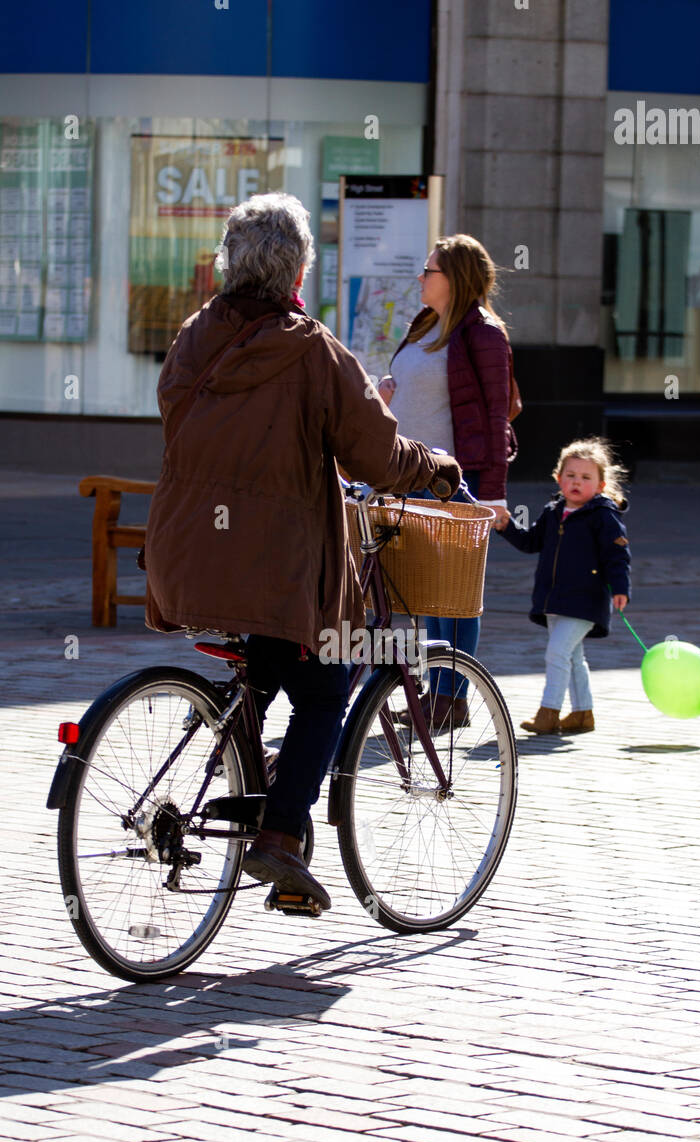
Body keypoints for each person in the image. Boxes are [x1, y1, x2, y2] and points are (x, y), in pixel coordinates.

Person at [144, 193, 461, 910]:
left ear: (229, 260)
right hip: (274, 565)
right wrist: (439, 470)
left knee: (267, 664)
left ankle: (256, 783)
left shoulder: (197, 334)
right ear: (299, 268)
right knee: (327, 682)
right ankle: (282, 836)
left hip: (184, 549)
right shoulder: (311, 348)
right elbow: (378, 453)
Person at [379, 234, 517, 726]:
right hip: (412, 476)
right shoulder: (425, 324)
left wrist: (494, 493)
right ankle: (432, 689)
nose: (420, 277)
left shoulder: (483, 333)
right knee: (426, 592)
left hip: (458, 479)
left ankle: (451, 697)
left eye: (429, 270)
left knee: (455, 592)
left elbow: (497, 415)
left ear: (454, 278)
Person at [498, 438, 631, 735]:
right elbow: (531, 542)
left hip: (585, 600)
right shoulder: (553, 511)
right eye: (570, 475)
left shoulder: (603, 514)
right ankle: (583, 714)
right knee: (572, 656)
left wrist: (620, 587)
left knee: (556, 653)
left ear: (599, 485)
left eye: (585, 478)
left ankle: (549, 713)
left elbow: (617, 554)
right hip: (554, 599)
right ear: (559, 479)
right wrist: (507, 526)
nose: (576, 482)